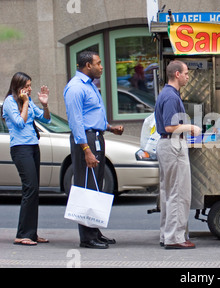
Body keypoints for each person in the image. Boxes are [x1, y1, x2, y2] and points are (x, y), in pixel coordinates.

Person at [64, 51, 124, 249]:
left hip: (96, 137)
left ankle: (95, 232)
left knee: (96, 187)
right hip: (86, 141)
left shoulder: (90, 86)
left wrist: (109, 127)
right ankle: (87, 238)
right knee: (86, 187)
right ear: (88, 65)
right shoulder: (75, 88)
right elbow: (76, 121)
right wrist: (86, 150)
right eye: (98, 63)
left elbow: (91, 115)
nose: (101, 67)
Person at [155, 60, 201, 249]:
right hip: (173, 145)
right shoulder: (171, 97)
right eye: (186, 73)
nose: (188, 76)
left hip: (167, 144)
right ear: (177, 74)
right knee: (178, 193)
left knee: (168, 192)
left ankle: (167, 235)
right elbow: (169, 126)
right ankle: (175, 238)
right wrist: (191, 128)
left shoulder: (166, 94)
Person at [2, 72, 51, 246]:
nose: (30, 89)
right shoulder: (9, 102)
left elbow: (46, 119)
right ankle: (22, 234)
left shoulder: (28, 102)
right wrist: (25, 103)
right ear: (18, 86)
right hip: (20, 149)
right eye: (27, 86)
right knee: (29, 188)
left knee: (34, 190)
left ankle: (31, 233)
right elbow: (20, 123)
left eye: (31, 85)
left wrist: (44, 105)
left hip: (32, 147)